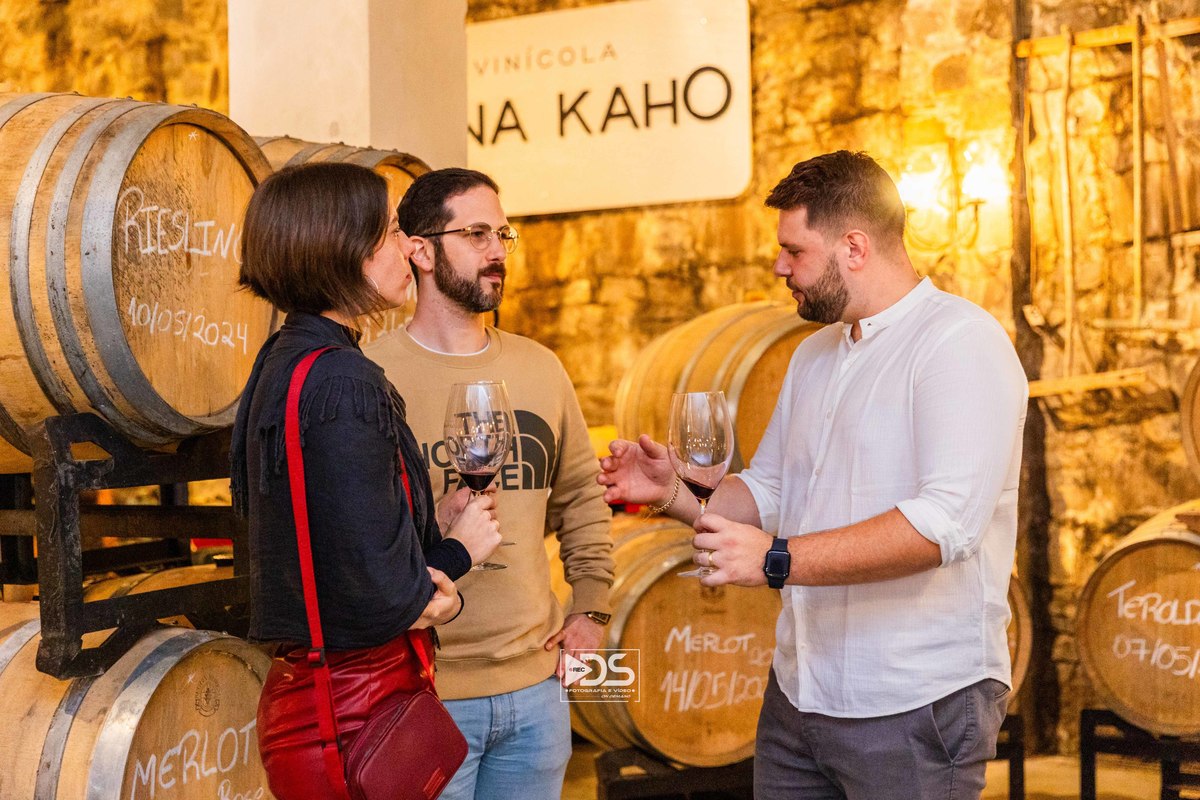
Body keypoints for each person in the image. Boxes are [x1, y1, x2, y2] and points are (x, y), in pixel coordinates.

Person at [598, 151, 1028, 800]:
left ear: (854, 247)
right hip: (800, 694)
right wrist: (673, 492)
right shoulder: (813, 355)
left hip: (915, 699)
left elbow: (945, 527)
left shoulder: (958, 342)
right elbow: (771, 490)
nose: (779, 267)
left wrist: (776, 560)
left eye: (794, 250)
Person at [230, 162, 501, 800]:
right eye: (387, 233)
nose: (407, 247)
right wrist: (459, 551)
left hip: (316, 704)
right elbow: (385, 598)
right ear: (343, 249)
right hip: (355, 716)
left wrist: (420, 516)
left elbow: (329, 541)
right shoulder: (344, 379)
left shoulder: (285, 359)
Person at [364, 168, 615, 800]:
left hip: (537, 692)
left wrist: (591, 609)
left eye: (503, 234)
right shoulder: (371, 376)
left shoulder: (539, 366)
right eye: (476, 234)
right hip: (422, 691)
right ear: (420, 251)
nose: (497, 250)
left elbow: (582, 495)